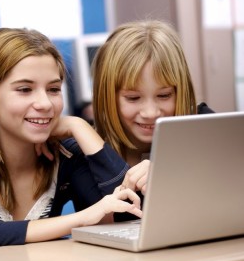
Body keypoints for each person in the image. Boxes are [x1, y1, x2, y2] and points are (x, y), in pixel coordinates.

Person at [0, 28, 142, 253]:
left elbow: (130, 218)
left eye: (54, 89)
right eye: (25, 89)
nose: (45, 103)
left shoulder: (64, 153)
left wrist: (80, 127)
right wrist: (82, 219)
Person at [91, 19, 214, 196]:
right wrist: (77, 126)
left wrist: (168, 169)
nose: (150, 113)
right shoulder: (86, 149)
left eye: (164, 95)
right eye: (133, 98)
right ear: (107, 97)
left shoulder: (204, 125)